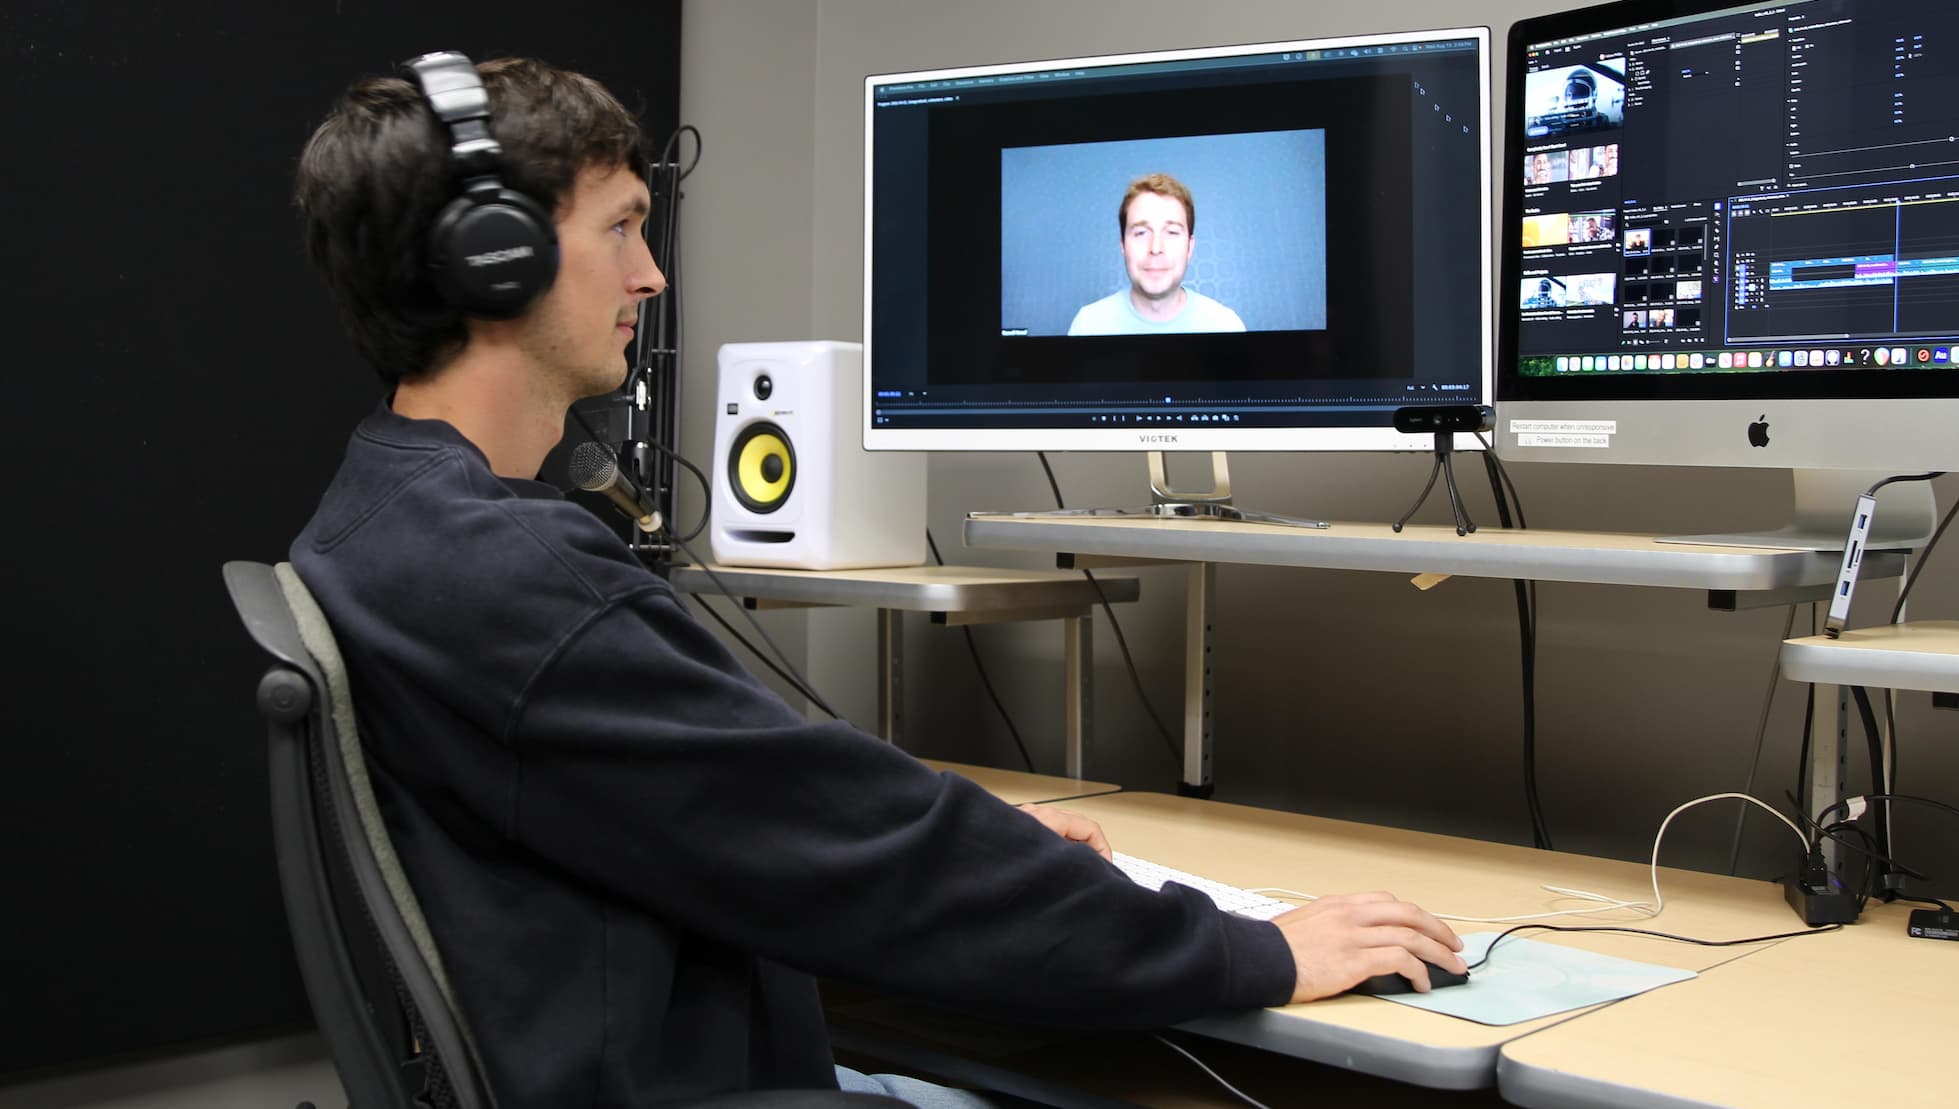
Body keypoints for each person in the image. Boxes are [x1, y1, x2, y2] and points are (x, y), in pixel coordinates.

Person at [289, 54, 1464, 1108]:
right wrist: (1251, 950)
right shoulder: (511, 575)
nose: (650, 274)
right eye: (622, 227)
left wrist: (970, 834)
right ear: (493, 260)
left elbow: (777, 798)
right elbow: (848, 849)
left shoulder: (382, 521)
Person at [1067, 173, 1247, 334]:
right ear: (1123, 246)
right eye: (1141, 233)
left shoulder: (1226, 326)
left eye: (1172, 232)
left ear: (1189, 248)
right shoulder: (1087, 326)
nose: (1155, 248)